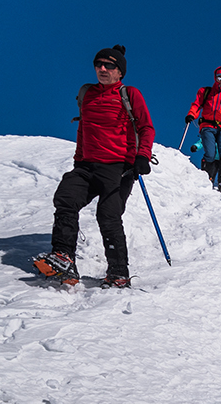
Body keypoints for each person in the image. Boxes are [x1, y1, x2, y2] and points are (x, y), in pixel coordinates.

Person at [33, 45, 154, 289]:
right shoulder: (88, 94)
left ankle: (118, 273)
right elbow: (83, 130)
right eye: (98, 64)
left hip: (119, 166)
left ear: (120, 72)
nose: (102, 69)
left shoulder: (129, 94)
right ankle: (64, 257)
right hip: (87, 165)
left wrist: (142, 156)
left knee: (108, 215)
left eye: (109, 65)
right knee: (66, 197)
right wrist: (79, 160)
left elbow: (146, 127)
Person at [185, 66, 221, 192]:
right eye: (219, 77)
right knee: (210, 153)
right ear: (215, 77)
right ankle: (206, 177)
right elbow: (197, 105)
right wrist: (191, 115)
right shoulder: (205, 92)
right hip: (207, 126)